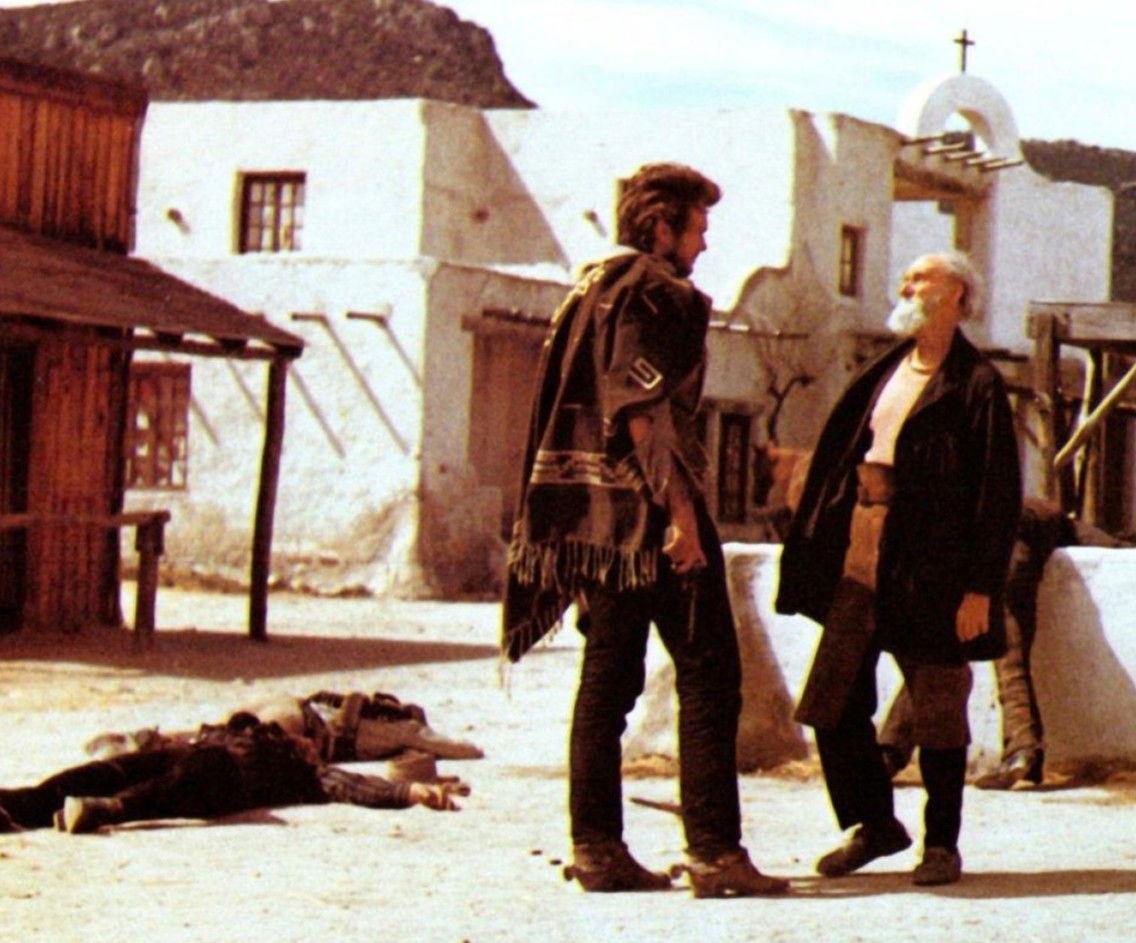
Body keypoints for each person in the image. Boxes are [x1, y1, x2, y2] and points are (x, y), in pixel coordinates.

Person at [500, 162, 787, 898]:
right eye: (697, 227)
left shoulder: (590, 289)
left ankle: (597, 848)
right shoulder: (655, 292)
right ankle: (714, 853)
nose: (704, 243)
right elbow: (641, 409)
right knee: (709, 677)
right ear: (661, 226)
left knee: (606, 682)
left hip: (595, 526)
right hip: (649, 522)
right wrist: (682, 518)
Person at [776, 251, 1022, 886]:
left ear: (958, 294)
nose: (906, 285)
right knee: (831, 701)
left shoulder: (976, 384)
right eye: (907, 277)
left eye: (921, 278)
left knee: (938, 707)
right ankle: (875, 824)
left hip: (934, 564)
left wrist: (979, 589)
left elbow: (996, 494)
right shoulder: (884, 370)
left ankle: (941, 844)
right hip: (864, 553)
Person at [878, 498, 1117, 790]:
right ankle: (1021, 750)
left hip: (992, 552)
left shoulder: (970, 509)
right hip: (990, 551)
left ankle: (890, 751)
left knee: (960, 654)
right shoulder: (1019, 509)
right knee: (958, 656)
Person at [0, 712, 468, 834]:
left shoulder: (303, 769)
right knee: (105, 770)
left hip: (227, 776)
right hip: (186, 754)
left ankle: (106, 810)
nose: (307, 741)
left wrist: (410, 792)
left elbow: (353, 785)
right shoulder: (226, 730)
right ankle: (21, 804)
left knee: (178, 783)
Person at [83, 690, 484, 766]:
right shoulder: (404, 730)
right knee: (231, 736)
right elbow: (465, 749)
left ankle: (146, 742)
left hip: (295, 708)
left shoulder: (358, 708)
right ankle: (149, 747)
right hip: (304, 723)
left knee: (222, 729)